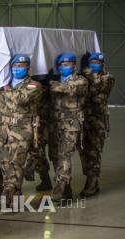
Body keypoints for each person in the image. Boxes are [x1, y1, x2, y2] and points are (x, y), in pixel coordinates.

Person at [0, 54, 42, 206]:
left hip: (22, 128)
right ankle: (14, 196)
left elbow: (20, 99)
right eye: (15, 66)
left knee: (16, 164)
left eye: (21, 66)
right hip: (3, 128)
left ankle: (8, 197)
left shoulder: (33, 85)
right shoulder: (1, 84)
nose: (17, 69)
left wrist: (4, 88)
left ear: (28, 69)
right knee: (5, 164)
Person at [49, 52, 88, 201]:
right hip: (55, 124)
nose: (64, 67)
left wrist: (51, 83)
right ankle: (66, 189)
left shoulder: (80, 81)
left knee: (64, 154)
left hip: (71, 124)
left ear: (74, 65)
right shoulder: (56, 79)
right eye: (61, 65)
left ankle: (60, 186)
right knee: (55, 155)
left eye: (67, 64)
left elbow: (67, 88)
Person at [78, 52, 114, 197]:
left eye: (98, 63)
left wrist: (86, 70)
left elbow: (95, 89)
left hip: (97, 121)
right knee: (85, 151)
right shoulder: (88, 77)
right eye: (92, 62)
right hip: (84, 119)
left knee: (94, 151)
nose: (95, 65)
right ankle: (92, 180)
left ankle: (92, 183)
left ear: (102, 64)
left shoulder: (108, 78)